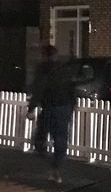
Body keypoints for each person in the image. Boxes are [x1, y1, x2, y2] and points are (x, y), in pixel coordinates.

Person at [28, 45, 76, 184]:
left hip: (50, 106)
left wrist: (31, 108)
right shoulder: (65, 69)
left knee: (41, 133)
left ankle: (46, 157)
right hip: (64, 106)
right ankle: (56, 166)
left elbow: (38, 89)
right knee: (60, 137)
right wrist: (72, 106)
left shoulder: (43, 69)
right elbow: (72, 88)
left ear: (44, 55)